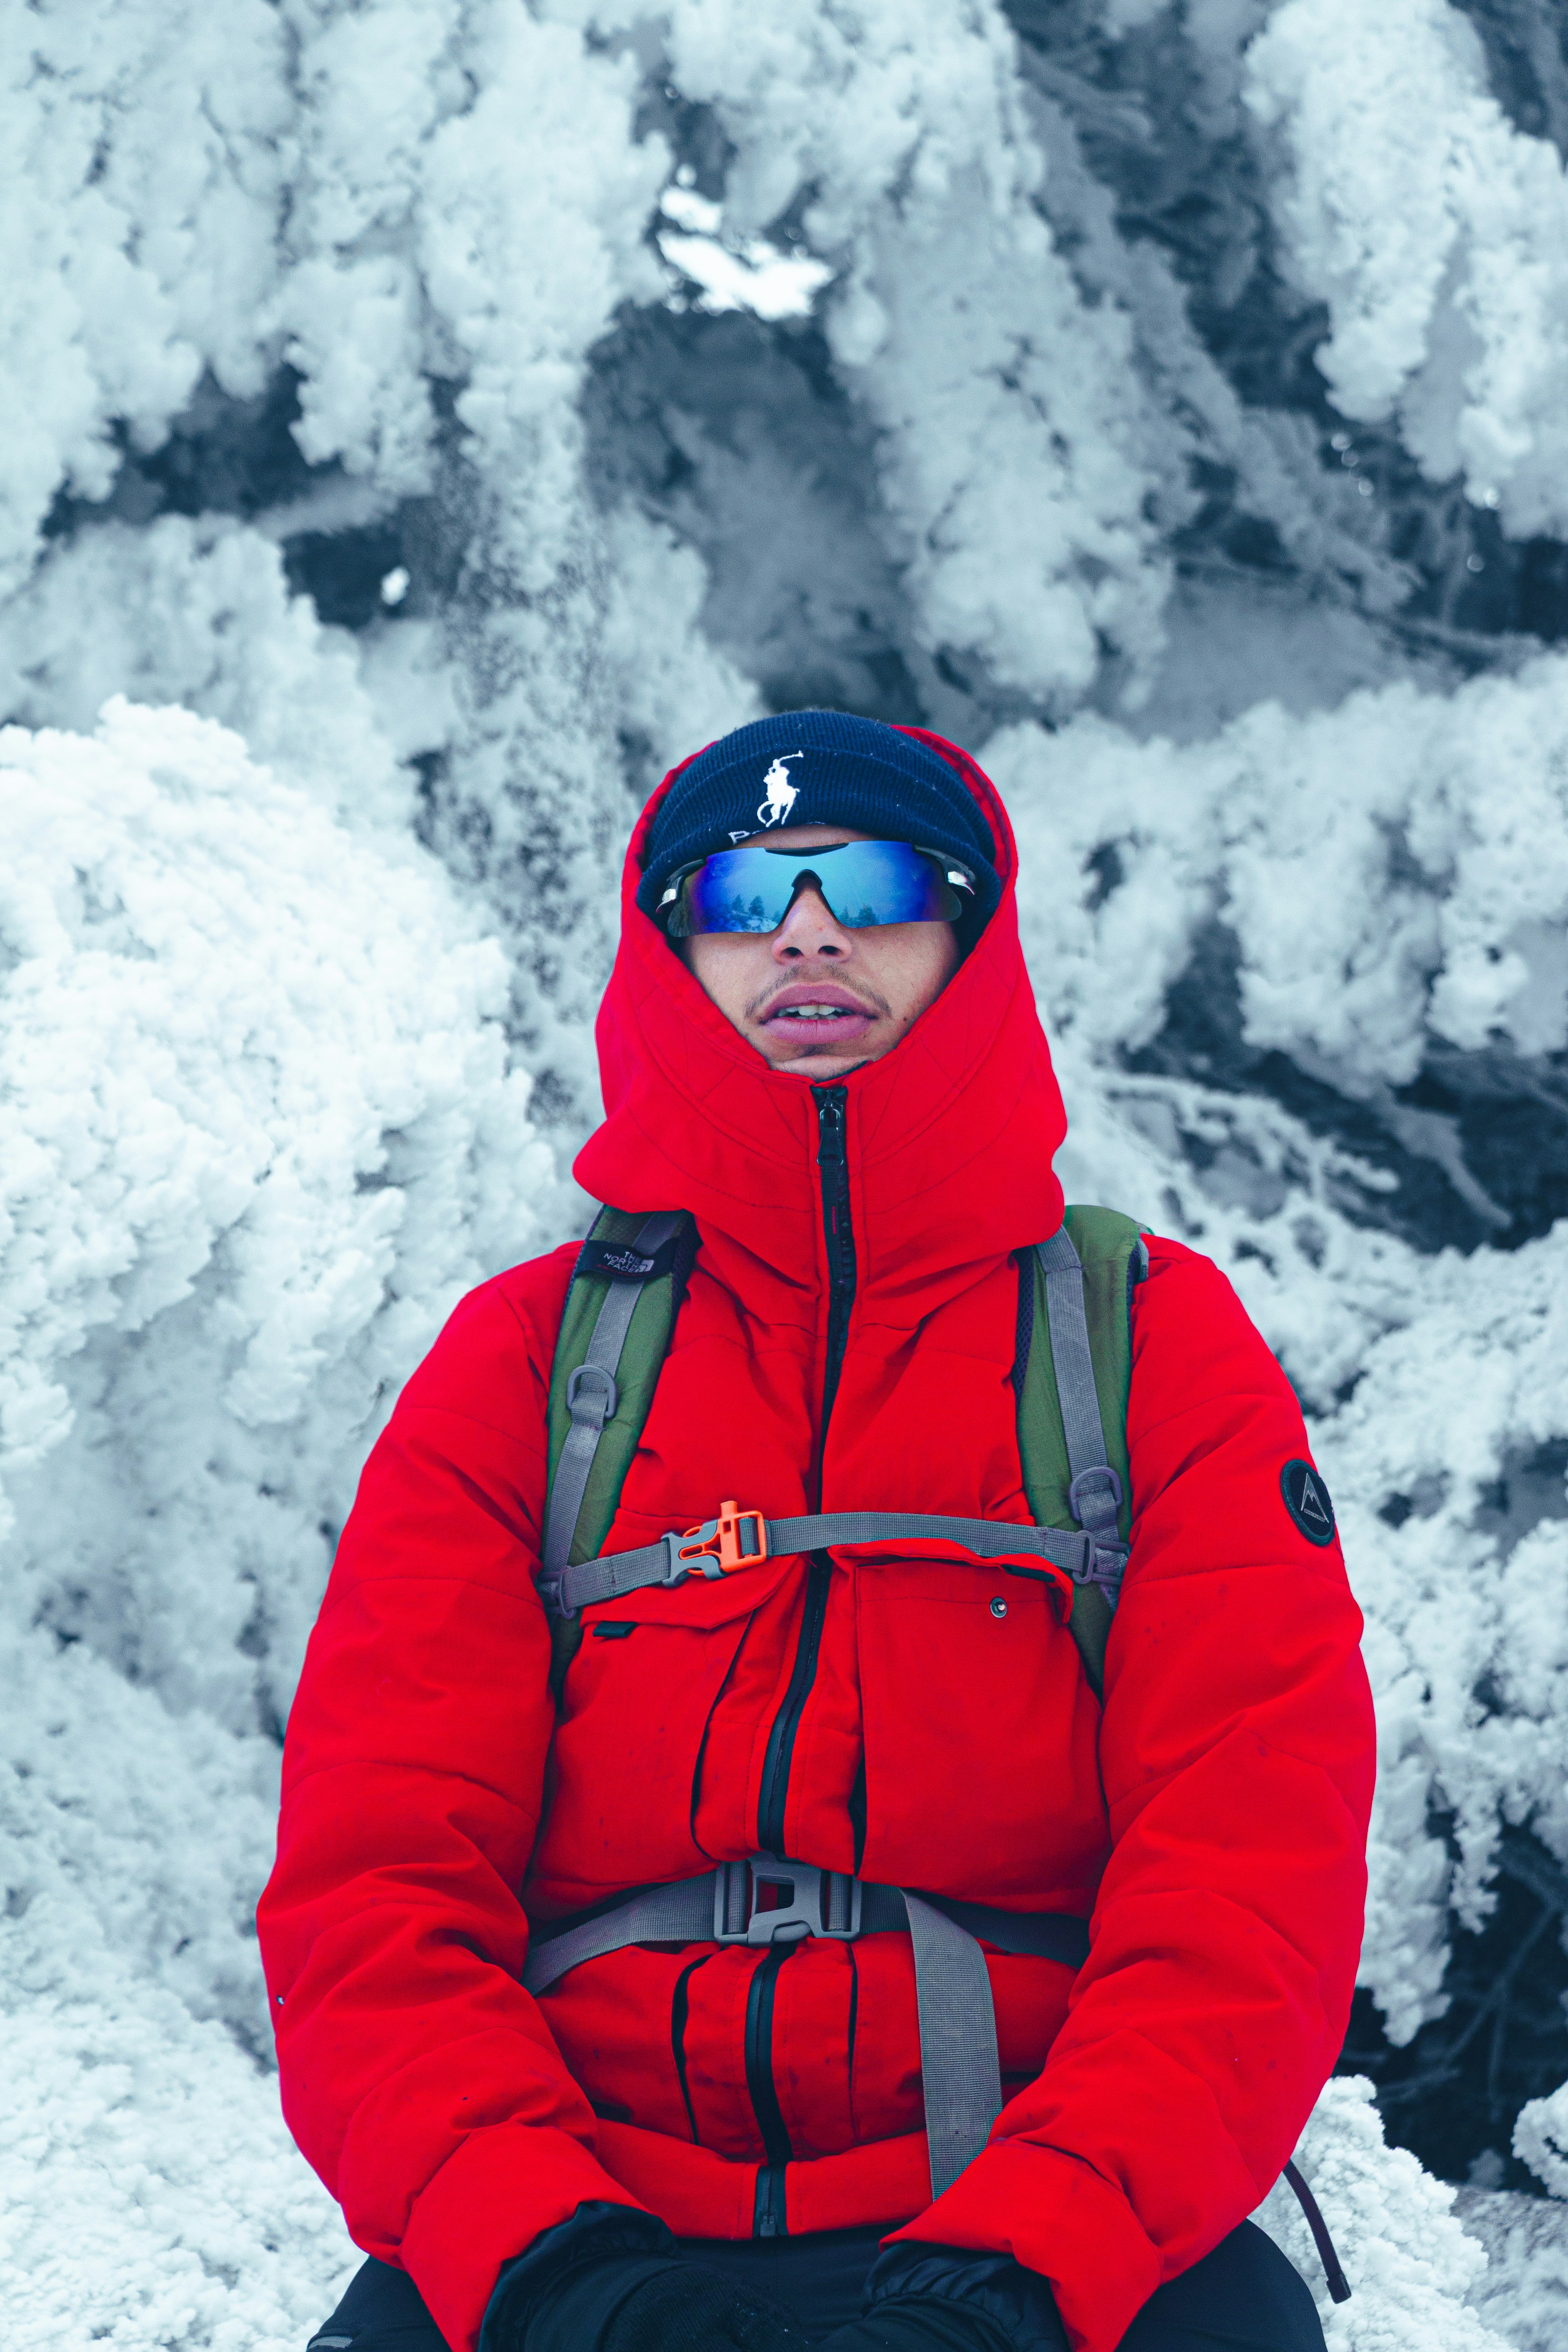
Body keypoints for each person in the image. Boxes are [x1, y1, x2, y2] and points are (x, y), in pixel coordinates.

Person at [259, 711, 1374, 2352]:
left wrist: (1019, 2270)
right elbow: (376, 1887)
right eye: (739, 894)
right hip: (582, 2228)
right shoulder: (526, 1363)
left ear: (968, 935)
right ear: (674, 950)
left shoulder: (1151, 1346)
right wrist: (557, 2267)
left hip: (1029, 2227)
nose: (805, 933)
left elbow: (1248, 1878)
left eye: (871, 883)